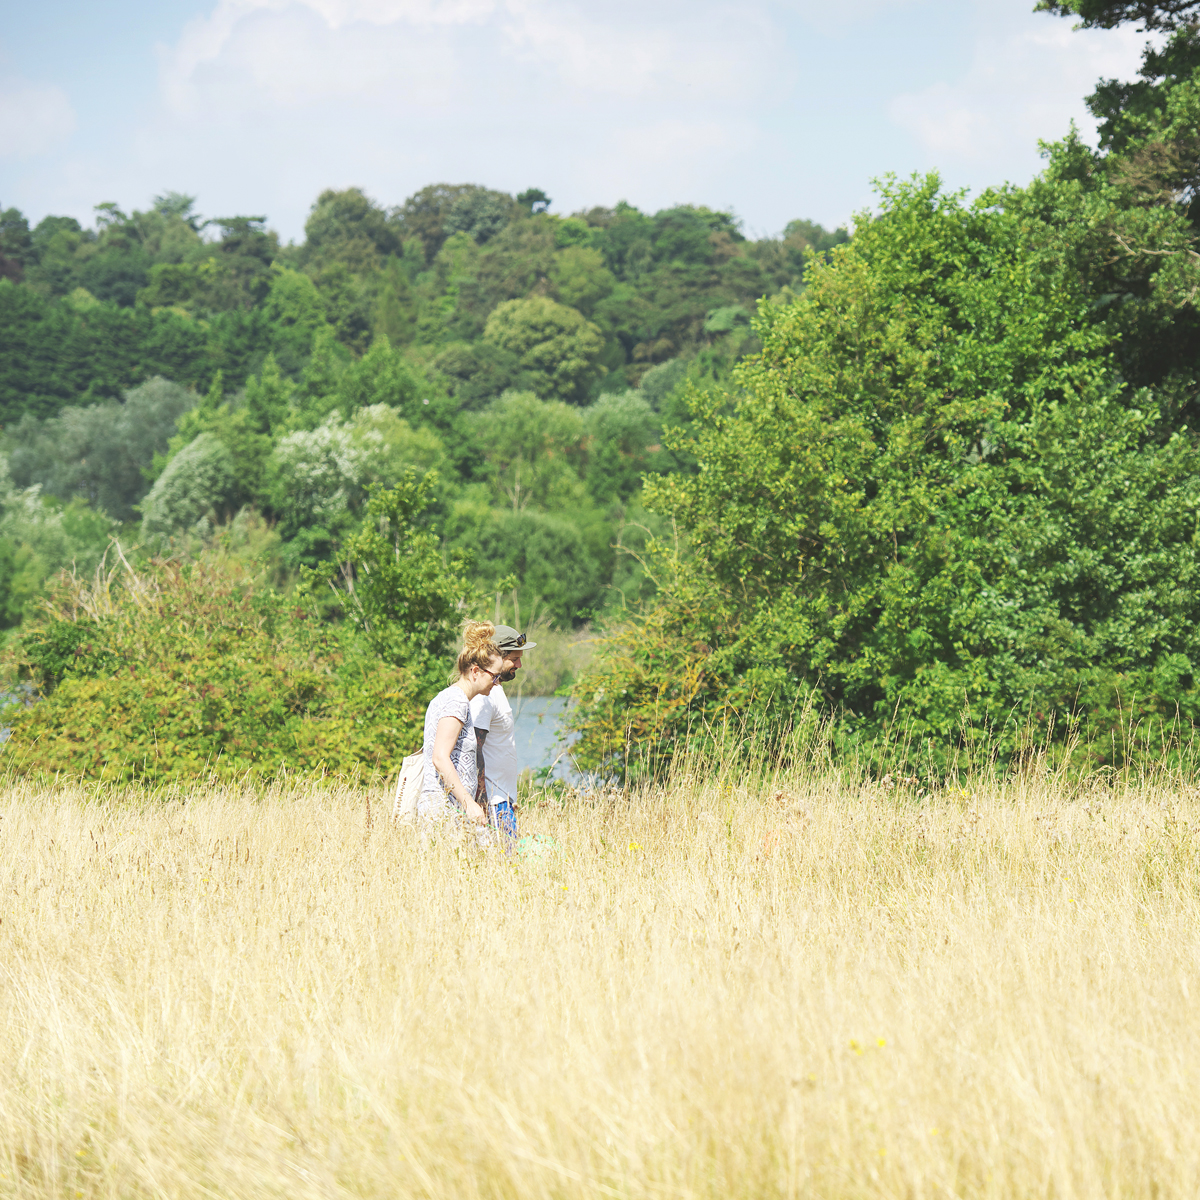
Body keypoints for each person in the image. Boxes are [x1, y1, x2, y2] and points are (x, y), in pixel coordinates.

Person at [418, 622, 506, 828]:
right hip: (443, 809)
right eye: (495, 676)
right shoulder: (456, 701)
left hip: (451, 808)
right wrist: (468, 802)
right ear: (476, 671)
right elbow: (440, 757)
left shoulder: (453, 698)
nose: (497, 682)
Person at [470, 624, 537, 843]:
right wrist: (481, 801)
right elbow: (475, 748)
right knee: (504, 865)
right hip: (493, 802)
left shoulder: (494, 691)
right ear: (497, 656)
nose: (519, 664)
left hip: (501, 800)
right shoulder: (484, 696)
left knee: (506, 867)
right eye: (514, 659)